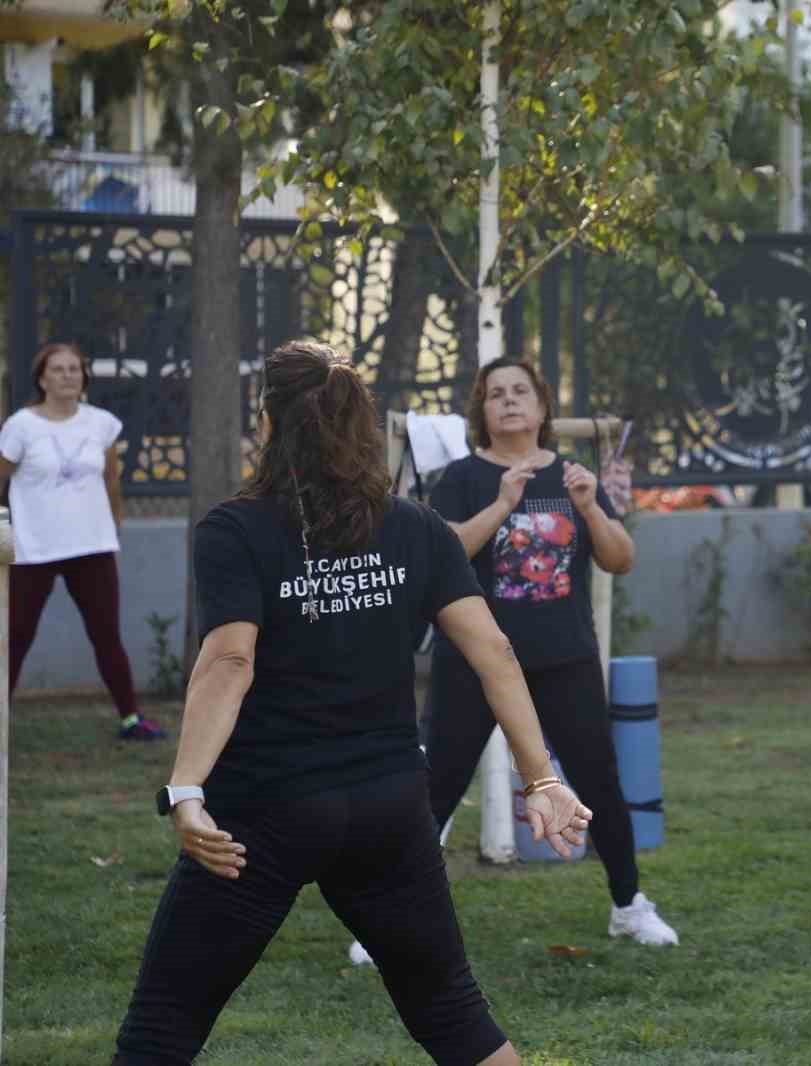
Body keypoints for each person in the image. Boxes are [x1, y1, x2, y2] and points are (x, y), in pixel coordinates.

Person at [113, 340, 592, 1066]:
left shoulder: (235, 528)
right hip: (389, 806)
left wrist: (185, 789)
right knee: (454, 1015)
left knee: (161, 1030)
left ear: (268, 420)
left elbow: (230, 659)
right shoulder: (416, 525)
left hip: (265, 812)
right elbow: (494, 651)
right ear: (360, 422)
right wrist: (542, 779)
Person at [374, 355, 677, 951]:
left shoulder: (572, 476)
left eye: (520, 391)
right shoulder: (463, 477)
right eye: (495, 394)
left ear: (541, 407)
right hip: (476, 660)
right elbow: (443, 552)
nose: (509, 401)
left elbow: (620, 559)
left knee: (598, 781)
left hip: (564, 658)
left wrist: (589, 507)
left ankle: (628, 904)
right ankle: (393, 919)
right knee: (437, 786)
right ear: (482, 412)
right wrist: (501, 505)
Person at [0, 341, 162, 740]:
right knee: (16, 636)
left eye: (74, 369)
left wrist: (116, 521)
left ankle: (131, 719)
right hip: (34, 548)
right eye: (58, 369)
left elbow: (110, 480)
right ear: (42, 378)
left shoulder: (101, 423)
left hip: (92, 546)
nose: (68, 375)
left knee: (106, 634)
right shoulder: (21, 426)